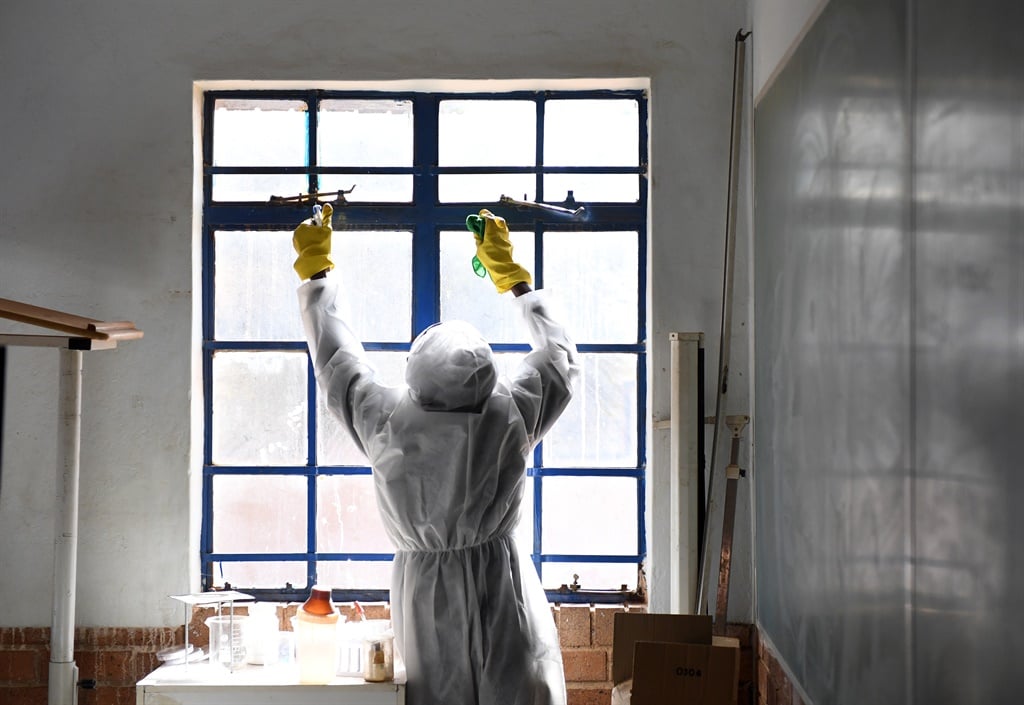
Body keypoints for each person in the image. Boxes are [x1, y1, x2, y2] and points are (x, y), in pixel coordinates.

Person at [292, 203, 579, 705]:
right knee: (516, 689)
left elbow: (337, 361)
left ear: (415, 371)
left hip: (424, 589)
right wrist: (514, 280)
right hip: (500, 577)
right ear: (488, 373)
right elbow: (561, 361)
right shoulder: (508, 413)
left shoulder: (386, 418)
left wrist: (317, 274)